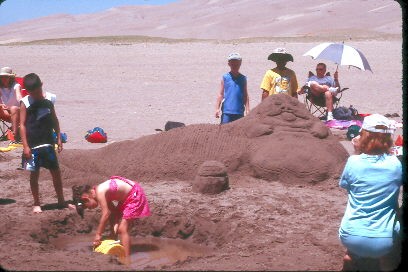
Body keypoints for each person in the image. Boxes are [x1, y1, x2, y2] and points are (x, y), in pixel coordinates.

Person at [338, 114, 402, 271]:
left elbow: (346, 185)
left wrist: (357, 153)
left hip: (350, 235)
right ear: (388, 139)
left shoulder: (353, 162)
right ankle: (387, 261)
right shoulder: (395, 164)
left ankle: (352, 256)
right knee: (398, 215)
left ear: (363, 137)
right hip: (383, 240)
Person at [72, 176, 151, 265]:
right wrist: (112, 234)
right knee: (115, 221)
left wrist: (98, 234)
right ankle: (115, 243)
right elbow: (113, 213)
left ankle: (127, 259)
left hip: (134, 195)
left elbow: (106, 214)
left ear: (86, 198)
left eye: (87, 207)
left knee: (122, 229)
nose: (89, 209)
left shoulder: (100, 192)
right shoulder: (99, 192)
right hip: (127, 197)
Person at [19, 73, 65, 213]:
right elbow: (22, 125)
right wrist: (25, 146)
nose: (37, 95)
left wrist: (58, 137)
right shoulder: (26, 102)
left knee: (55, 172)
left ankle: (61, 200)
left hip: (47, 143)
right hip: (32, 145)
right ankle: (36, 202)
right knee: (34, 174)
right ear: (27, 92)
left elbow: (54, 119)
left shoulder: (50, 99)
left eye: (38, 91)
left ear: (42, 85)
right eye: (33, 93)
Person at [215, 52, 249, 124]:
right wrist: (217, 108)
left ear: (240, 63)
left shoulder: (243, 78)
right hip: (227, 111)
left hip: (239, 111)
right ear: (229, 64)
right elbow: (221, 94)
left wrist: (247, 109)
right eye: (232, 63)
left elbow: (245, 95)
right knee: (224, 130)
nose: (234, 65)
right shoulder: (225, 77)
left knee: (238, 131)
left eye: (236, 63)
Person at [0, 67, 23, 142]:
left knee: (13, 108)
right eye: (2, 77)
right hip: (5, 112)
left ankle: (14, 135)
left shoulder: (16, 86)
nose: (4, 79)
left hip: (18, 112)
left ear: (10, 78)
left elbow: (19, 97)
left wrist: (22, 103)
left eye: (6, 77)